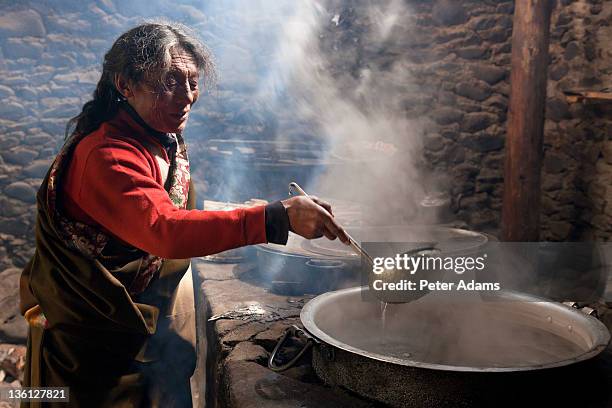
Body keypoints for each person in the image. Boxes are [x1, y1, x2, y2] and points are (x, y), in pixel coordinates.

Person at [19, 22, 348, 408]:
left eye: (193, 81)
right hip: (90, 341)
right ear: (125, 85)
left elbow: (166, 212)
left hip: (131, 328)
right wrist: (276, 218)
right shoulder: (106, 155)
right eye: (171, 81)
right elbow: (164, 230)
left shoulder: (158, 136)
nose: (188, 95)